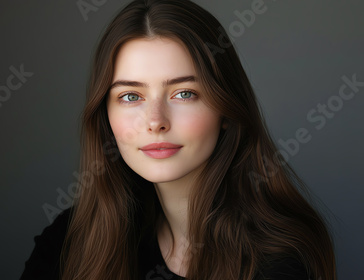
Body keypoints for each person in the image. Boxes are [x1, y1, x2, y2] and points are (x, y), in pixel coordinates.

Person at [21, 0, 337, 279]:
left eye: (184, 93)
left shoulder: (278, 262)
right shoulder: (69, 241)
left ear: (225, 110)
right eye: (131, 96)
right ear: (105, 116)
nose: (156, 121)